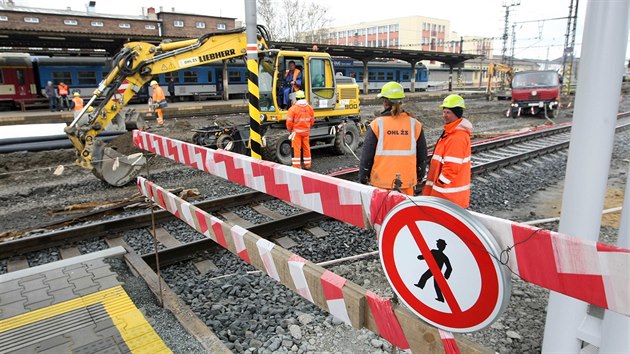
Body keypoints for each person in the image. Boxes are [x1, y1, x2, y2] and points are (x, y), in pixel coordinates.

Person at [359, 82, 427, 196]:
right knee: (402, 213)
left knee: (383, 213)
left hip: (381, 182)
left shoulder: (377, 124)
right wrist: (420, 175)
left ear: (385, 102)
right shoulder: (415, 124)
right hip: (406, 182)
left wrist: (363, 176)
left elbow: (367, 155)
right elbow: (422, 155)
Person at [422, 94, 472, 208]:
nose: (444, 115)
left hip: (448, 195)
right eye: (444, 112)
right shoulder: (451, 132)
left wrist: (440, 182)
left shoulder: (457, 136)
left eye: (448, 112)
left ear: (457, 113)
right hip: (445, 193)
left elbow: (452, 167)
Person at [286, 90, 314, 169]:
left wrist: (290, 130)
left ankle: (297, 166)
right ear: (304, 97)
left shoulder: (293, 109)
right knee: (306, 147)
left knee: (296, 149)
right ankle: (307, 165)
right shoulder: (309, 108)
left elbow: (289, 122)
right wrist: (307, 127)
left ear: (296, 98)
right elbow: (312, 121)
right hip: (306, 132)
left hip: (296, 133)